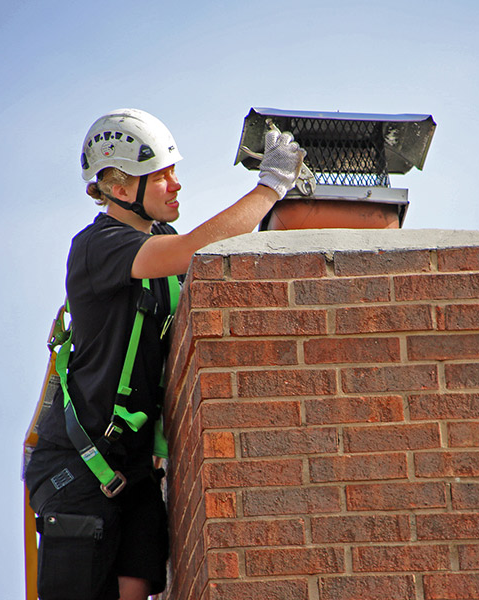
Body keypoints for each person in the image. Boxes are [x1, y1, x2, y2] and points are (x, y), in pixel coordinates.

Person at [24, 108, 305, 600]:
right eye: (162, 175)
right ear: (121, 185)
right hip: (79, 462)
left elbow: (217, 265)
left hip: (130, 468)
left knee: (136, 585)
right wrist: (270, 188)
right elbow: (198, 249)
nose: (176, 185)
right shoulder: (99, 245)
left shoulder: (163, 243)